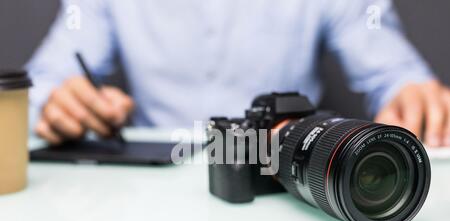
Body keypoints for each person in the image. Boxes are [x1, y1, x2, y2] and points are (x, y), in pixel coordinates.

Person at [28, 0, 450, 147]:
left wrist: (410, 95)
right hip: (146, 199)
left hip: (284, 182)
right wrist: (55, 102)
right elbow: (44, 79)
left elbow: (393, 72)